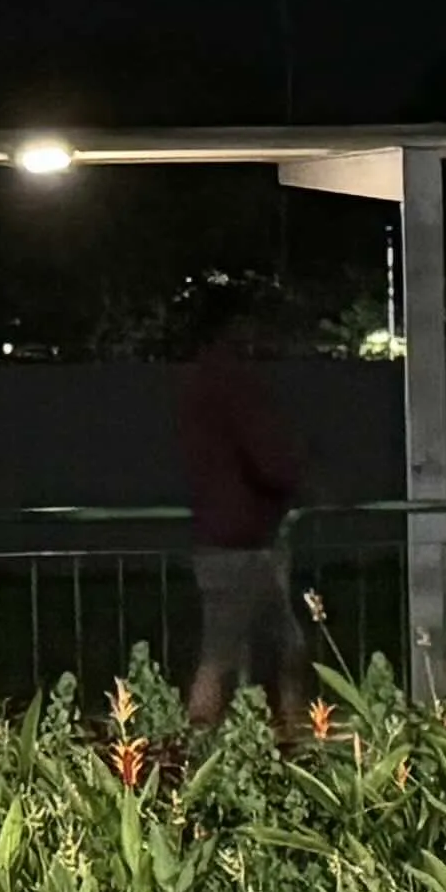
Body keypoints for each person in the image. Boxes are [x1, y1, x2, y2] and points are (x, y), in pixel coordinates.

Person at [175, 295, 309, 738]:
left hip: (219, 538)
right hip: (247, 543)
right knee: (254, 653)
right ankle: (287, 737)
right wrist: (295, 473)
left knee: (238, 651)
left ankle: (218, 739)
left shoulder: (199, 385)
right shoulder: (238, 386)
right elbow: (272, 461)